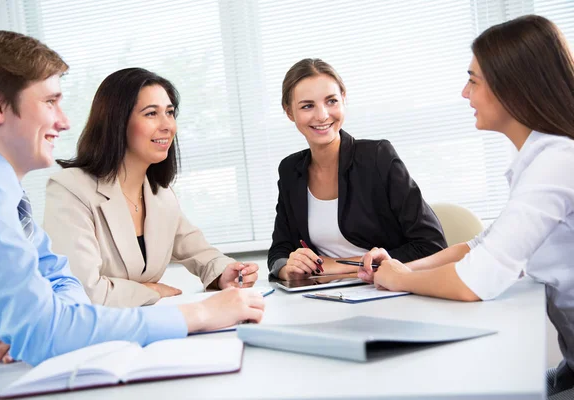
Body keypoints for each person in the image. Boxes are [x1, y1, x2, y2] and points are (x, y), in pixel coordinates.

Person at [0, 30, 264, 366]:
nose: (64, 121)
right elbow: (49, 325)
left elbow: (58, 279)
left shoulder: (3, 189)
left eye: (170, 112)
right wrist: (196, 314)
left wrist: (223, 273)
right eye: (50, 102)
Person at [358, 15, 574, 398]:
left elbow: (475, 280)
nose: (464, 93)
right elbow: (477, 247)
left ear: (514, 88)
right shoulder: (541, 159)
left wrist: (401, 279)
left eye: (473, 81)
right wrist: (401, 266)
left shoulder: (557, 161)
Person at [43, 68, 259, 307]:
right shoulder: (70, 190)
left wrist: (225, 272)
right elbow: (82, 291)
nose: (168, 125)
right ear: (117, 122)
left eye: (169, 112)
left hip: (148, 329)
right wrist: (151, 291)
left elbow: (198, 251)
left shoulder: (160, 195)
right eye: (151, 114)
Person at [268, 58, 447, 281]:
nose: (322, 115)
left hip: (390, 290)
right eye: (307, 106)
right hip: (324, 294)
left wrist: (340, 266)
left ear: (344, 99)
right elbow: (279, 251)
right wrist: (289, 268)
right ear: (289, 112)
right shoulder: (290, 170)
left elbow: (433, 245)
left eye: (331, 101)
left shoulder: (377, 157)